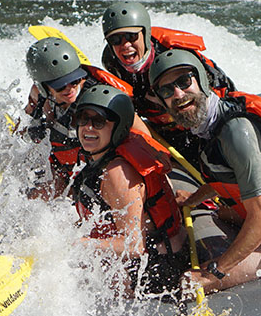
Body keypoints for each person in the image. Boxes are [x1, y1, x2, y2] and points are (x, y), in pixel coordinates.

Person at [148, 49, 261, 293]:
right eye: (167, 90)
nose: (178, 95)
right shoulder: (208, 126)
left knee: (191, 285)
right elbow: (226, 178)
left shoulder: (236, 133)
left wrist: (214, 273)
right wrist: (192, 200)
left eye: (184, 82)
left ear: (202, 81)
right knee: (220, 218)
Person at [69, 84, 188, 297]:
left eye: (98, 122)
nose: (88, 128)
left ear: (119, 126)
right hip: (145, 259)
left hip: (157, 268)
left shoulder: (117, 174)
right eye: (83, 120)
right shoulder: (98, 157)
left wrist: (79, 244)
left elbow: (134, 246)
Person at [99, 1, 236, 158]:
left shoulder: (174, 57)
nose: (125, 45)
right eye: (115, 40)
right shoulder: (111, 61)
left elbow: (208, 100)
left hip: (202, 122)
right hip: (165, 130)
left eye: (131, 36)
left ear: (145, 34)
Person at [23, 36, 143, 197]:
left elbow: (142, 134)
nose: (70, 89)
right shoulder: (38, 94)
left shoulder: (100, 98)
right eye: (60, 86)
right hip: (62, 164)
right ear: (44, 87)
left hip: (93, 168)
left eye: (74, 80)